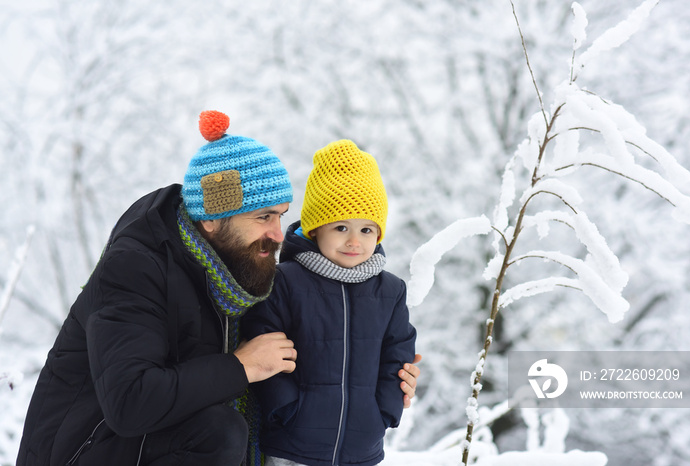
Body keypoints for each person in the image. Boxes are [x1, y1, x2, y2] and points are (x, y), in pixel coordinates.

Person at [16, 111, 420, 466]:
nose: (278, 234)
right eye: (263, 217)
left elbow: (290, 353)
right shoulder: (136, 269)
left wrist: (368, 375)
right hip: (82, 452)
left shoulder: (237, 272)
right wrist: (241, 366)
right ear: (212, 220)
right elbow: (130, 402)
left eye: (280, 216)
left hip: (147, 445)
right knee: (219, 432)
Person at [243, 139, 417, 466]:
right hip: (292, 444)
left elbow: (399, 353)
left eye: (367, 229)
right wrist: (285, 408)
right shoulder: (285, 281)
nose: (355, 241)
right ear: (316, 229)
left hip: (361, 447)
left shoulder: (390, 291)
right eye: (341, 227)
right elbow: (263, 340)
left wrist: (384, 410)